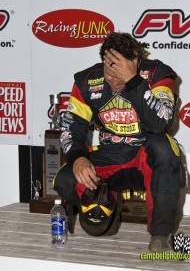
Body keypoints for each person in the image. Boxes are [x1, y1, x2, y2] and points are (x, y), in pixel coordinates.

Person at [53, 32, 181, 252]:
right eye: (109, 73)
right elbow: (70, 128)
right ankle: (107, 205)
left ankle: (161, 234)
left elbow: (160, 124)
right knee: (64, 179)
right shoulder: (87, 81)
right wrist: (78, 158)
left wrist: (133, 82)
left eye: (119, 75)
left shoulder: (159, 74)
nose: (113, 81)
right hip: (111, 154)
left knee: (163, 146)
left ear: (135, 62)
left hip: (145, 154)